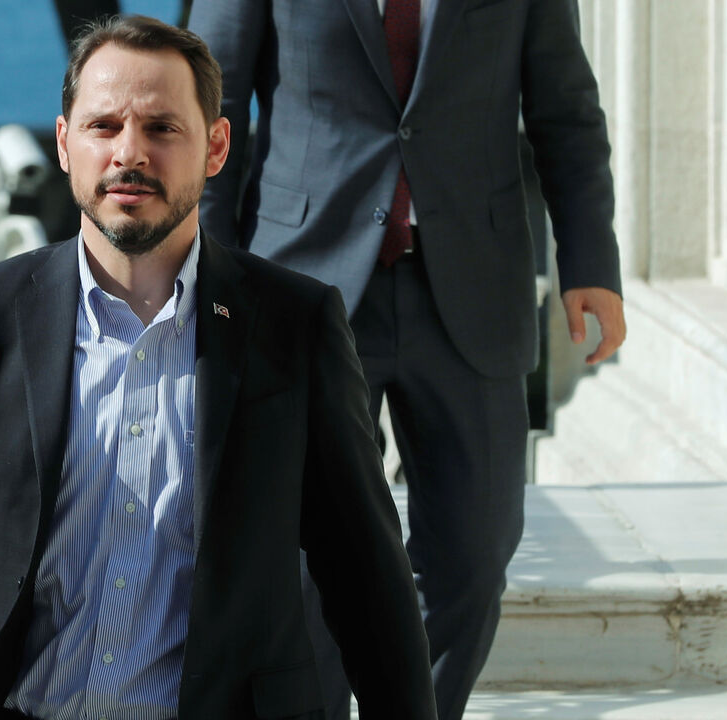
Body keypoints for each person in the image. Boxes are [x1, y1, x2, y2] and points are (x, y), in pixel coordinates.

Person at [0, 14, 437, 720]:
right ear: (65, 144)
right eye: (103, 127)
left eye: (163, 128)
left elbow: (365, 576)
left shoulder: (295, 326)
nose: (130, 153)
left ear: (216, 147)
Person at [188, 1, 628, 719]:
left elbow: (566, 108)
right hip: (301, 283)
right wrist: (207, 272)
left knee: (475, 558)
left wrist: (590, 262)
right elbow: (210, 104)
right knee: (305, 559)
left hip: (471, 291)